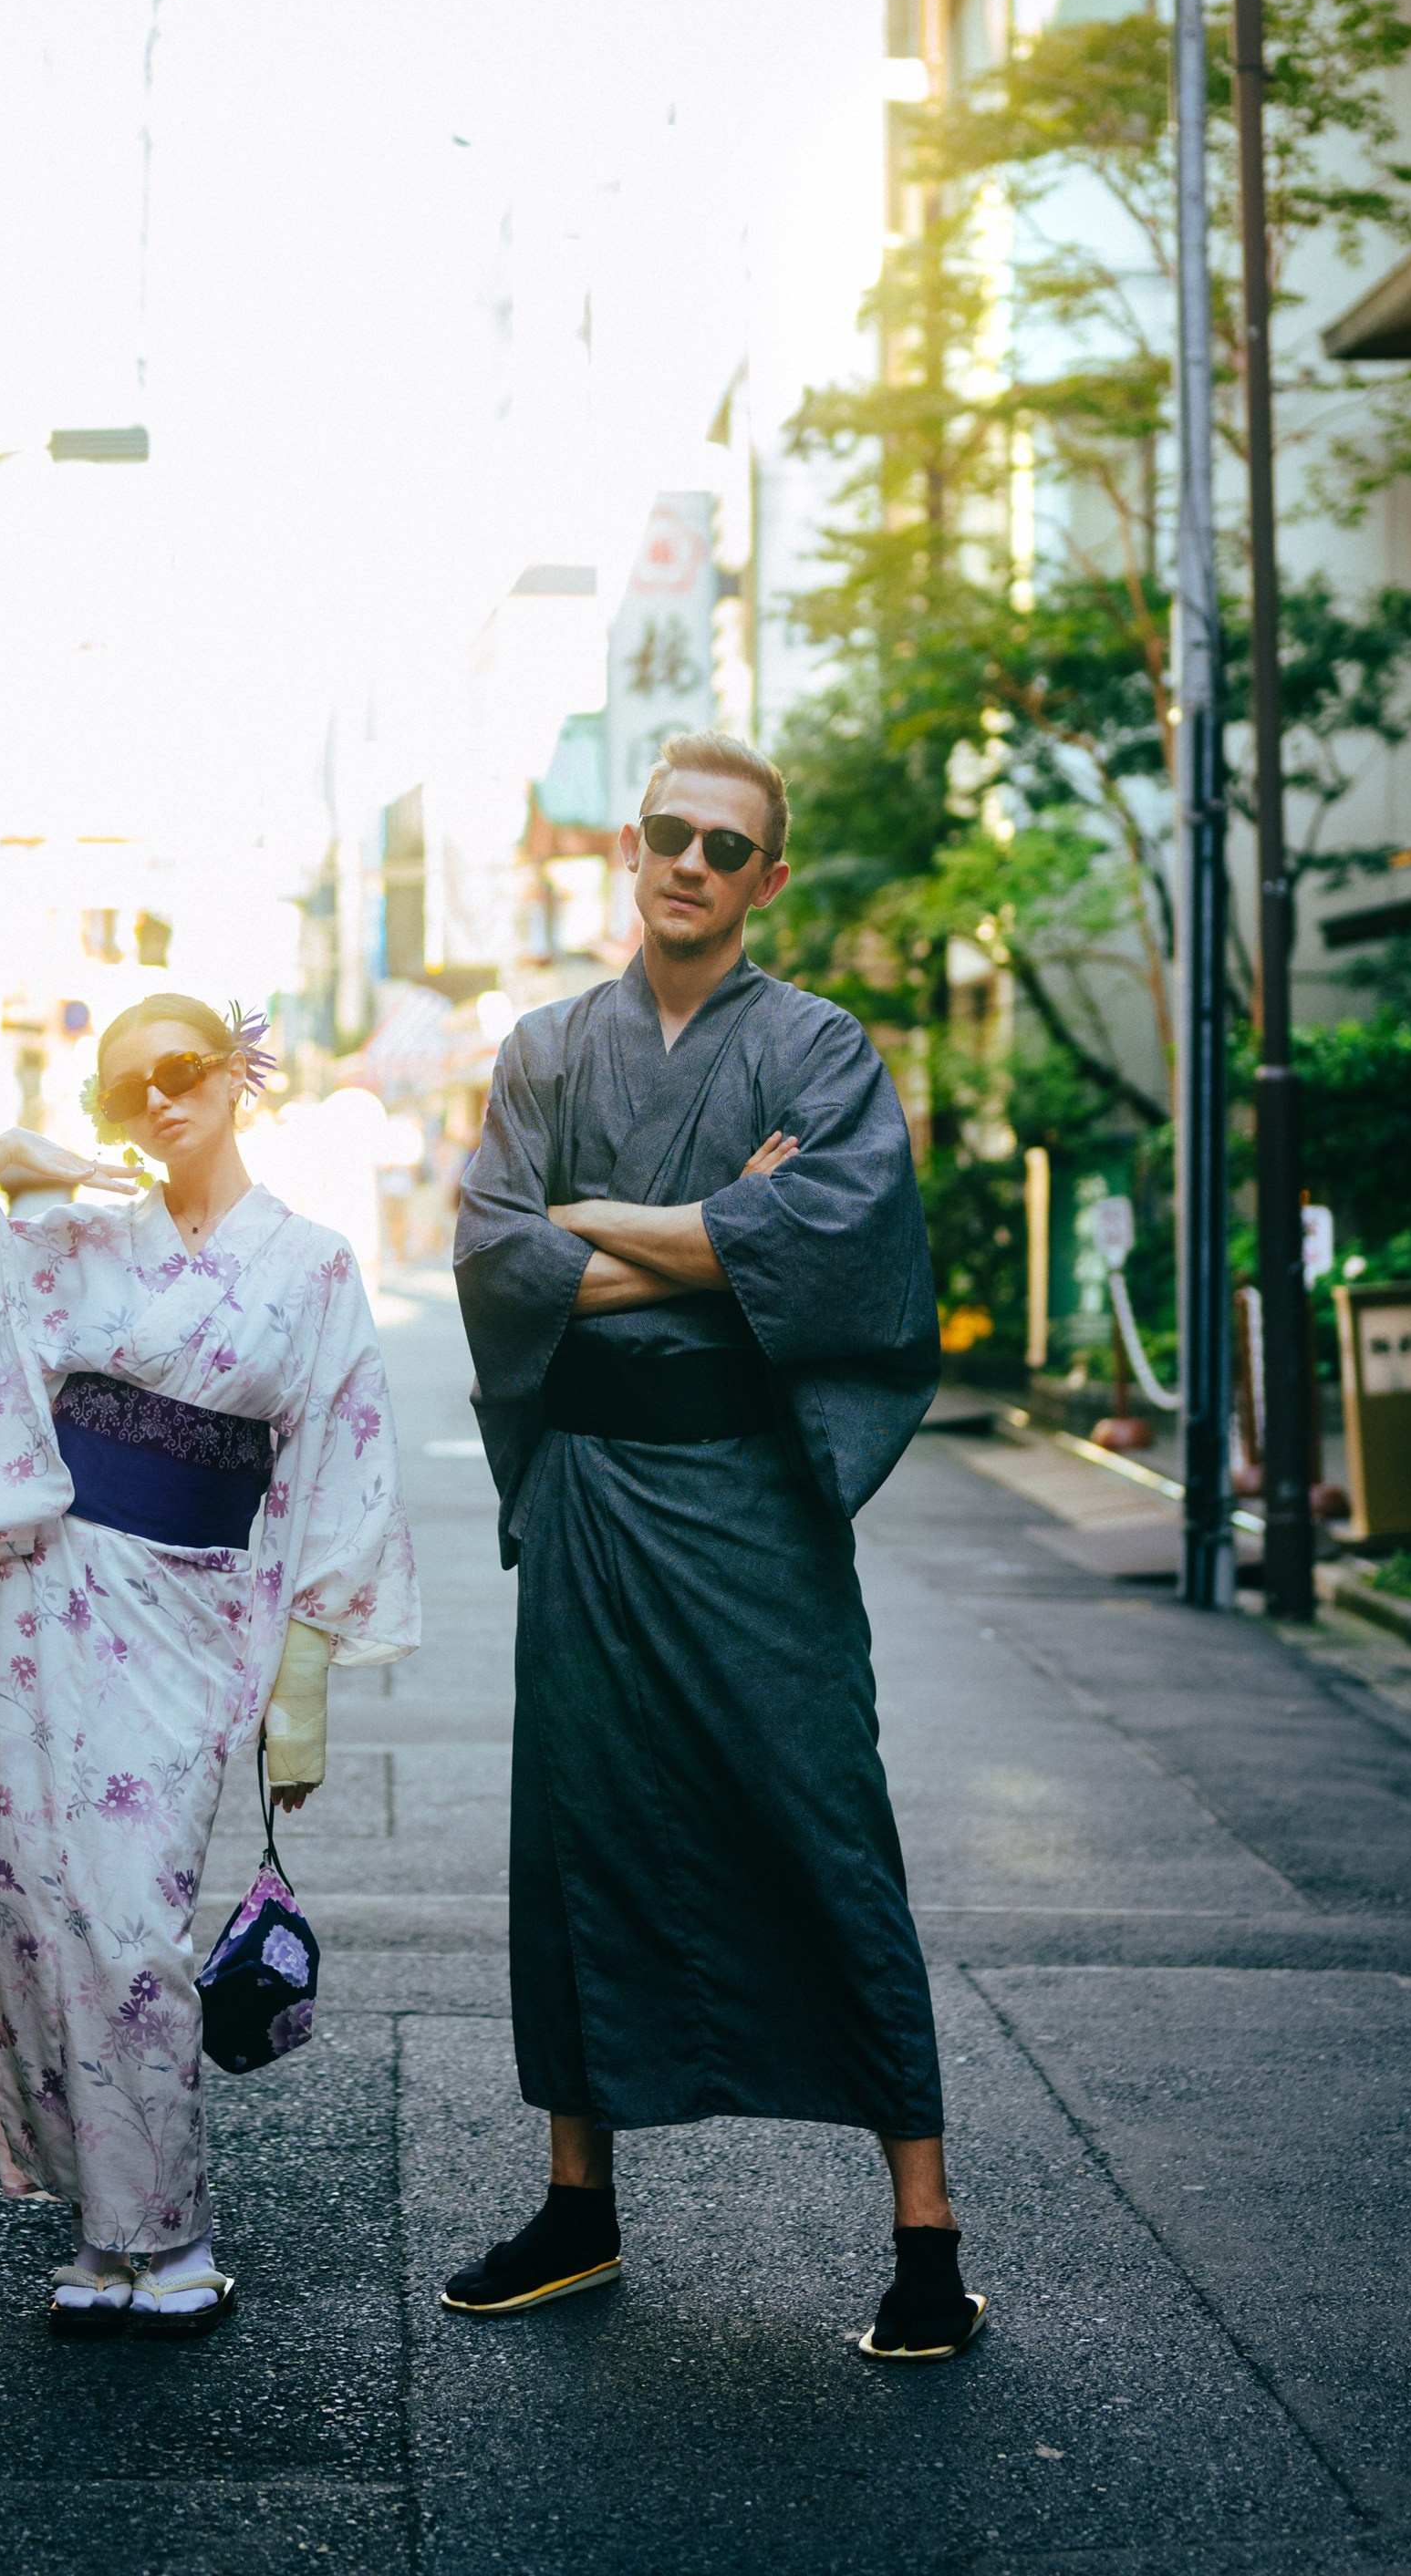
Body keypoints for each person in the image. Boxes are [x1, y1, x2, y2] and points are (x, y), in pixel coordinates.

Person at [446, 731, 985, 2361]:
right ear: (633, 846)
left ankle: (925, 2238)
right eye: (669, 833)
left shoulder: (822, 1051)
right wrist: (707, 1240)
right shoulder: (546, 1048)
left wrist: (590, 1222)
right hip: (601, 1494)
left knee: (827, 1823)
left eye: (725, 844)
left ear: (768, 875)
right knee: (583, 1840)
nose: (691, 861)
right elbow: (489, 1259)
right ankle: (578, 2210)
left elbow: (835, 1247)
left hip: (754, 1500)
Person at [0, 994, 418, 2338]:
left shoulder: (316, 1263)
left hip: (195, 1611)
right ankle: (104, 2234)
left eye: (180, 1074)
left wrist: (305, 1685)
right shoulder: (68, 1238)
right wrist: (0, 1165)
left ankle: (167, 2233)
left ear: (240, 1075)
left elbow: (345, 1471)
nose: (158, 1105)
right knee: (47, 1916)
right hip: (45, 1599)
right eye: (126, 1093)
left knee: (137, 1924)